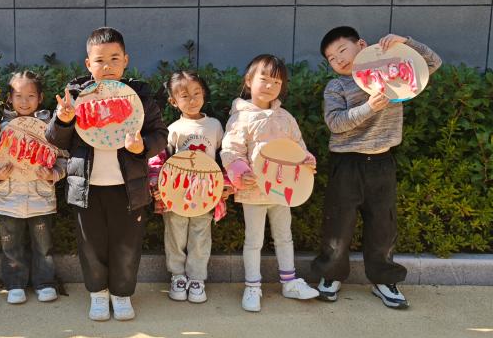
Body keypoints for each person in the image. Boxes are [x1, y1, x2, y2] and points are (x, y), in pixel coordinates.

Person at [312, 28, 442, 308]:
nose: (339, 59)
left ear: (361, 44)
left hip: (382, 161)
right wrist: (369, 107)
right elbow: (335, 123)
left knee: (383, 224)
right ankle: (330, 275)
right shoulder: (336, 86)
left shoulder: (390, 70)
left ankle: (383, 279)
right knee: (338, 224)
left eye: (342, 50)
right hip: (346, 162)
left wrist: (405, 42)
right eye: (331, 58)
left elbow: (432, 63)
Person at [47, 27, 168, 321]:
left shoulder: (139, 97)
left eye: (115, 58)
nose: (108, 66)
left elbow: (160, 135)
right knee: (91, 244)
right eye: (100, 60)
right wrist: (63, 120)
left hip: (128, 188)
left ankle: (122, 294)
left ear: (126, 60)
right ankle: (98, 294)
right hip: (87, 187)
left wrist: (143, 147)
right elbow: (55, 139)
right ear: (88, 64)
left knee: (127, 244)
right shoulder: (76, 97)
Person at [221, 54, 320, 312]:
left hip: (283, 190)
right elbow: (230, 150)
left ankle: (289, 282)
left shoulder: (285, 117)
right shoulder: (240, 118)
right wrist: (240, 170)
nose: (269, 85)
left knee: (284, 236)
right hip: (254, 190)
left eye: (276, 82)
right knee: (253, 240)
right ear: (249, 80)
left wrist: (306, 160)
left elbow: (298, 146)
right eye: (264, 79)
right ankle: (252, 286)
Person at [0, 71, 66, 305]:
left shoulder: (50, 127)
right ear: (9, 98)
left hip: (41, 198)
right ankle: (15, 284)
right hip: (9, 198)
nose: (24, 101)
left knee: (44, 246)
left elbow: (63, 156)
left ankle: (45, 283)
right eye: (18, 95)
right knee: (11, 245)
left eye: (30, 96)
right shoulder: (0, 128)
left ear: (40, 98)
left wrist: (53, 174)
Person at [152, 70, 224, 304]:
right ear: (173, 101)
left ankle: (197, 278)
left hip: (205, 193)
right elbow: (163, 160)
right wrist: (158, 186)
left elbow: (223, 156)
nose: (192, 100)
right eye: (184, 96)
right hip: (177, 194)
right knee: (175, 234)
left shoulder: (214, 126)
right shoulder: (173, 129)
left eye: (196, 93)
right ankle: (177, 276)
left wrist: (224, 184)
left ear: (204, 94)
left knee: (200, 235)